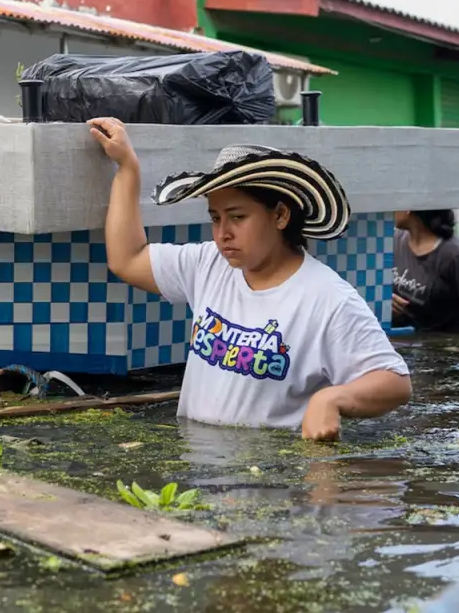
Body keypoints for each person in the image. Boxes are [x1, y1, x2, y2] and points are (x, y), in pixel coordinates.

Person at [89, 117, 411, 441]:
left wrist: (331, 398)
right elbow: (127, 259)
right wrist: (128, 168)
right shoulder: (208, 265)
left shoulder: (327, 299)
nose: (222, 234)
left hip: (273, 479)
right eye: (216, 218)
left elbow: (394, 381)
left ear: (281, 215)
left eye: (238, 217)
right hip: (199, 474)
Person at [392, 209, 459, 334]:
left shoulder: (456, 255)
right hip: (404, 344)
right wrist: (385, 300)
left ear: (408, 209)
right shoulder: (394, 242)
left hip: (447, 346)